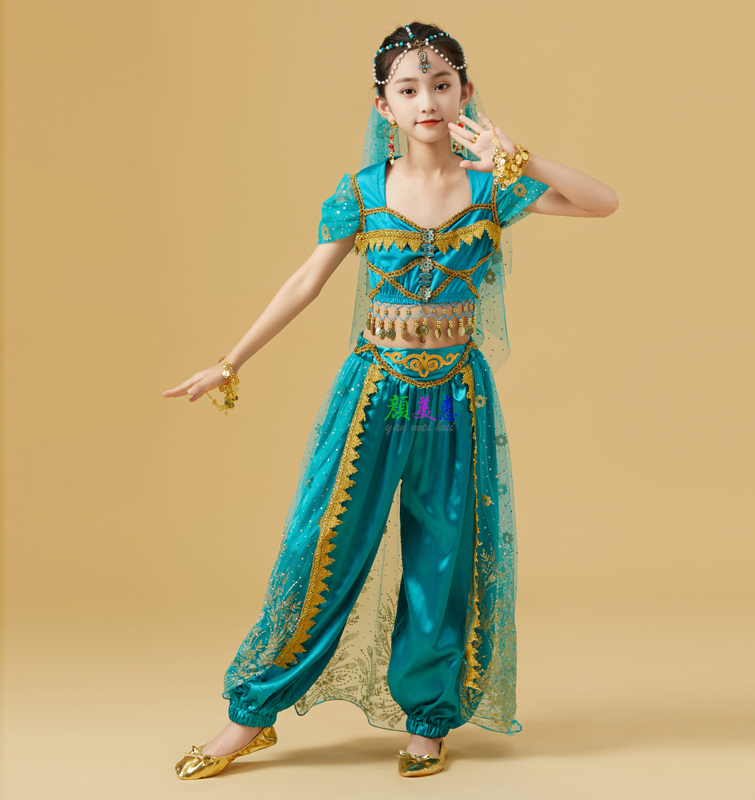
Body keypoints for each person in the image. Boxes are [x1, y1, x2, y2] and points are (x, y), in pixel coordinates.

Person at [162, 20, 618, 780]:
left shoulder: (493, 188)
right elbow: (305, 282)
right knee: (326, 544)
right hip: (380, 393)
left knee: (441, 551)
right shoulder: (362, 194)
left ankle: (428, 720)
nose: (427, 101)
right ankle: (251, 715)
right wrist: (228, 362)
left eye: (441, 85)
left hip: (451, 400)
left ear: (465, 93)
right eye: (409, 89)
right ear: (385, 106)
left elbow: (602, 202)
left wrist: (516, 156)